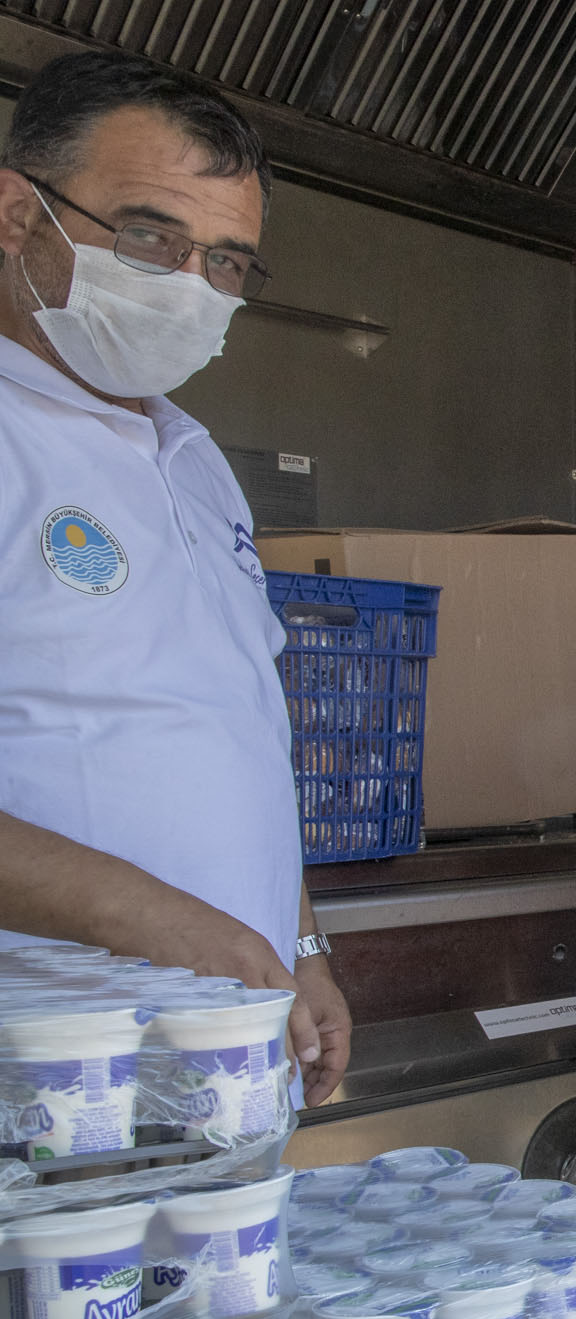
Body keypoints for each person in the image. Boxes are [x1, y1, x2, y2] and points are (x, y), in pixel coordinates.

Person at [0, 51, 349, 1101]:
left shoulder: (195, 460)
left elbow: (235, 724)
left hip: (212, 1071)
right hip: (47, 1085)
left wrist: (300, 939)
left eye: (229, 261)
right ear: (18, 215)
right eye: (152, 236)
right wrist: (165, 922)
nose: (194, 288)